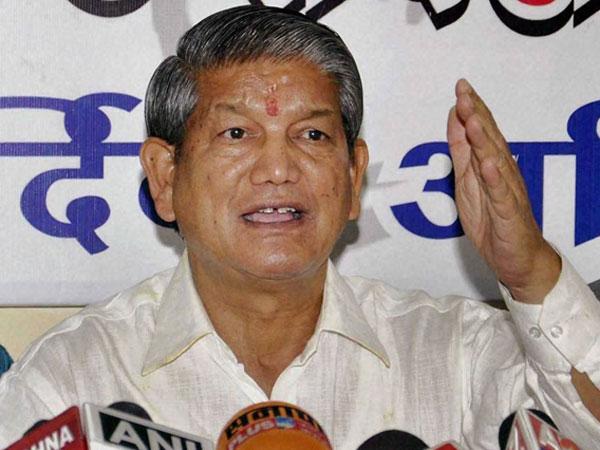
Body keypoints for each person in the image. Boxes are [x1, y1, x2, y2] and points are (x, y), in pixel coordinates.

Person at [0, 5, 599, 449]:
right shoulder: (74, 375)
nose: (279, 169)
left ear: (354, 175)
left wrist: (530, 273)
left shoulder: (457, 352)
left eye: (312, 135)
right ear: (165, 175)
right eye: (237, 134)